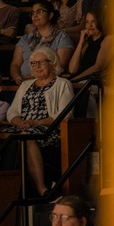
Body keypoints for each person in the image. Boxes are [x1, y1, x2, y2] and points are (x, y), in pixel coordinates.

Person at [6, 46, 75, 196]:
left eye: (41, 62)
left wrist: (36, 122)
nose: (37, 67)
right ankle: (6, 188)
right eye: (33, 63)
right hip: (24, 126)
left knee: (26, 136)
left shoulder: (62, 84)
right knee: (1, 137)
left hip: (50, 130)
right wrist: (19, 122)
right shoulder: (25, 85)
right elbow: (12, 111)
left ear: (53, 63)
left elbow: (65, 115)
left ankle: (40, 187)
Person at [10, 0, 73, 83]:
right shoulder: (25, 39)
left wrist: (32, 78)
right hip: (23, 83)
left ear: (50, 15)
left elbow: (59, 66)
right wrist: (17, 77)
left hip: (48, 83)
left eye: (39, 12)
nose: (35, 16)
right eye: (32, 13)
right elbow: (15, 64)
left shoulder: (61, 37)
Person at [68, 9, 112, 82]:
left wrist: (74, 81)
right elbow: (72, 70)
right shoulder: (88, 43)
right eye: (87, 22)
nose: (90, 25)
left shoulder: (109, 39)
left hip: (94, 83)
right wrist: (81, 42)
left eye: (93, 21)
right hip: (80, 82)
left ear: (101, 21)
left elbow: (98, 68)